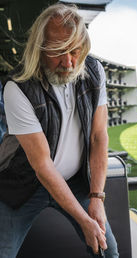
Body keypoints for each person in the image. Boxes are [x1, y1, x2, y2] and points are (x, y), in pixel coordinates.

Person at [0, 3, 118, 257]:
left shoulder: (94, 71)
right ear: (39, 49)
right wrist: (84, 221)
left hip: (75, 181)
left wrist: (97, 197)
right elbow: (42, 165)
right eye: (57, 52)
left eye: (74, 51)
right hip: (23, 185)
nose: (68, 62)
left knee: (109, 251)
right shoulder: (17, 87)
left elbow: (99, 137)